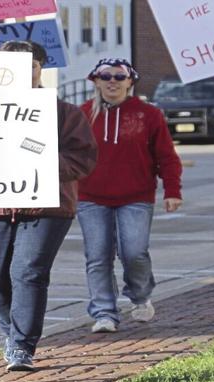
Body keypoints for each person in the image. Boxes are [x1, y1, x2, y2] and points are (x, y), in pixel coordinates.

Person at [0, 40, 98, 371]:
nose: (25, 72)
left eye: (32, 65)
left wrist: (40, 162)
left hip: (46, 208)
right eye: (14, 66)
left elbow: (83, 159)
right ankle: (11, 333)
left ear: (42, 69)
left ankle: (23, 344)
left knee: (28, 272)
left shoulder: (63, 113)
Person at [76, 56, 182, 333]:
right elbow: (68, 153)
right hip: (90, 197)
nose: (113, 82)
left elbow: (167, 156)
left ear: (130, 82)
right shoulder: (83, 113)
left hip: (136, 196)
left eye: (119, 77)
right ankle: (104, 312)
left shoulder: (149, 114)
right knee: (97, 255)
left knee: (133, 252)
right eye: (106, 76)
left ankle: (140, 295)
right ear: (96, 81)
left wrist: (172, 190)